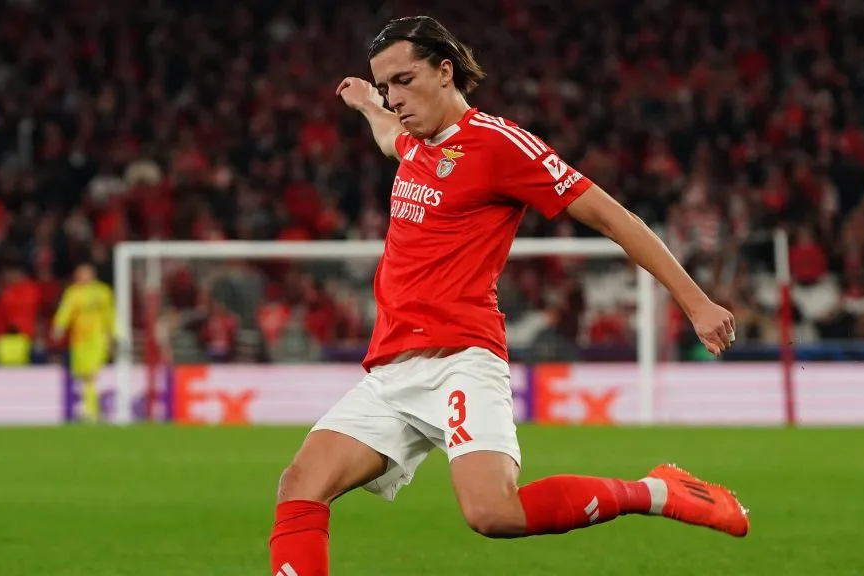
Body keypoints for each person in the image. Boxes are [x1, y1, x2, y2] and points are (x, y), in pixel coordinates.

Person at [269, 16, 747, 576]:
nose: (394, 98)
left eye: (403, 81)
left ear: (445, 72)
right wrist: (364, 103)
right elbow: (387, 134)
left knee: (493, 512)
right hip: (393, 369)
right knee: (300, 484)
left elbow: (615, 219)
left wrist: (696, 302)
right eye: (385, 87)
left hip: (460, 361)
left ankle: (657, 492)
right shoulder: (416, 144)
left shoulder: (500, 145)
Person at [52, 263, 115, 423]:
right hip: (79, 339)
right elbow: (65, 311)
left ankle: (91, 410)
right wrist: (59, 326)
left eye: (84, 273)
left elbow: (110, 313)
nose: (81, 276)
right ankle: (90, 409)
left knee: (92, 373)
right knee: (83, 375)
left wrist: (113, 333)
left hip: (97, 337)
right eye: (79, 273)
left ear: (92, 275)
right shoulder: (72, 292)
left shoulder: (102, 291)